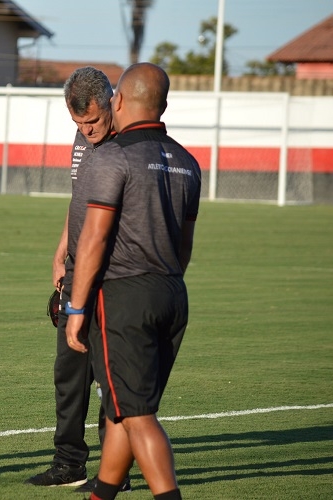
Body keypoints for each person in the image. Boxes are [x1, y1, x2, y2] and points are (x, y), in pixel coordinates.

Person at [65, 62, 201, 500]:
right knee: (126, 407)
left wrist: (76, 307)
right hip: (173, 294)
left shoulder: (112, 156)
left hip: (125, 297)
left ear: (118, 101)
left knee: (138, 414)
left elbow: (93, 239)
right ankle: (101, 494)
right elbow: (185, 246)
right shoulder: (187, 161)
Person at [25, 67, 129, 493]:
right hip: (76, 269)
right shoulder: (82, 137)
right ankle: (68, 462)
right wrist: (61, 249)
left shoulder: (130, 142)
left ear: (110, 103)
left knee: (111, 379)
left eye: (92, 122)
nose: (86, 131)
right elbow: (79, 198)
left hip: (116, 274)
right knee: (68, 372)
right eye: (78, 124)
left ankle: (114, 470)